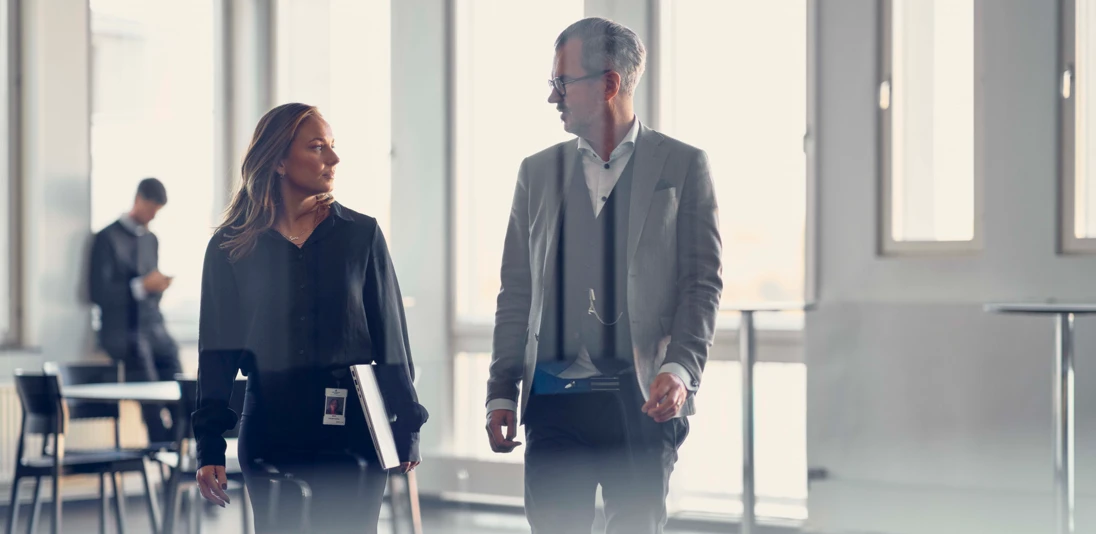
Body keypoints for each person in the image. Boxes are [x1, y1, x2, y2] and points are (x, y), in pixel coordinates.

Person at [485, 18, 722, 534]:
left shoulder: (682, 166)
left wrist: (680, 369)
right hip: (552, 403)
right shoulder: (537, 172)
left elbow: (701, 284)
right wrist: (501, 388)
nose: (553, 98)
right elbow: (517, 289)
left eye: (562, 83)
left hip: (641, 402)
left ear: (610, 83)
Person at [192, 103, 427, 534]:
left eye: (333, 147)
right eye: (318, 147)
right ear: (278, 160)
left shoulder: (362, 234)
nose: (333, 160)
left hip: (353, 431)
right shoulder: (230, 247)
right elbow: (217, 356)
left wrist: (407, 422)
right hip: (270, 429)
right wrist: (209, 446)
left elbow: (391, 339)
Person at [89, 177, 182, 446]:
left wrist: (158, 286)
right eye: (151, 209)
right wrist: (140, 287)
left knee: (175, 364)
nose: (153, 217)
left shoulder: (151, 239)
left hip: (152, 326)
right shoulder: (106, 238)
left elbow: (151, 294)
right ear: (138, 199)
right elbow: (99, 293)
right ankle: (161, 445)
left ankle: (182, 438)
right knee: (147, 377)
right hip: (123, 330)